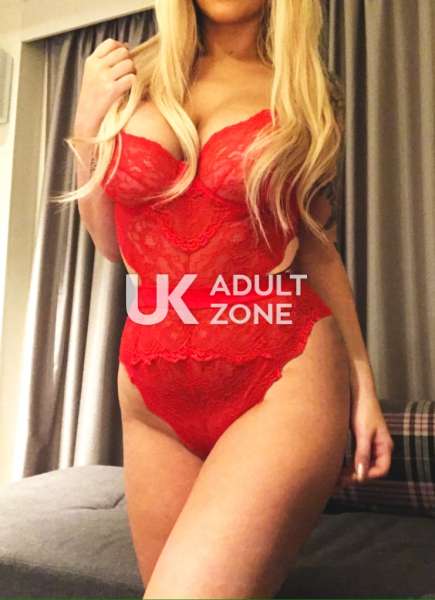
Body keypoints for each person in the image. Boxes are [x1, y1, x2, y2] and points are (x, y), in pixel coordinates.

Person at [59, 1, 394, 597]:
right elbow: (111, 245)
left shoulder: (304, 91)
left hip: (281, 374)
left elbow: (316, 247)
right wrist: (88, 120)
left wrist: (362, 383)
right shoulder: (126, 75)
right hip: (152, 394)